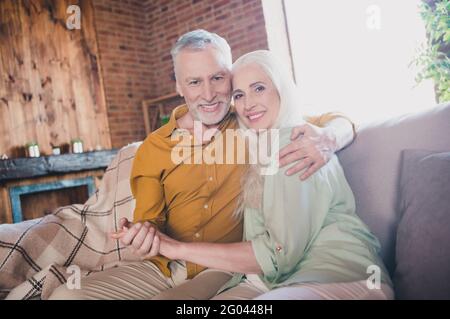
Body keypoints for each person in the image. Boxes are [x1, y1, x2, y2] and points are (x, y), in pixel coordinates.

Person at [49, 30, 355, 300]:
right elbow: (150, 225)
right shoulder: (153, 148)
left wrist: (329, 137)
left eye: (217, 78)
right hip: (164, 267)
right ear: (180, 87)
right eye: (195, 82)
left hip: (225, 266)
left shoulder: (253, 121)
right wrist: (143, 235)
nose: (208, 94)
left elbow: (329, 121)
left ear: (230, 77)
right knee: (66, 295)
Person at [152, 50, 393, 300]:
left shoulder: (293, 143)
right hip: (280, 280)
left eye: (258, 88)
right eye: (239, 95)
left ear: (281, 90)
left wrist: (175, 248)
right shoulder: (258, 142)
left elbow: (277, 256)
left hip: (340, 277)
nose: (248, 104)